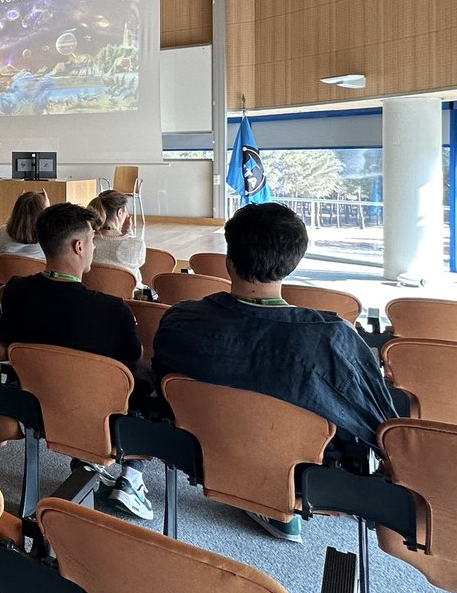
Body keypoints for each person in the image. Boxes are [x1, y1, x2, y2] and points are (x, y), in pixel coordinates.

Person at [153, 202, 398, 543]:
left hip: (203, 452)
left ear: (228, 261)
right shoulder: (332, 338)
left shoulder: (179, 319)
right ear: (292, 264)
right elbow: (380, 427)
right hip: (305, 475)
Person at [0, 202, 146, 519]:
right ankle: (130, 476)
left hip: (32, 402)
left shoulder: (14, 291)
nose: (95, 247)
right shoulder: (112, 310)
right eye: (93, 241)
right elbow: (128, 369)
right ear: (79, 246)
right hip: (98, 415)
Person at [88, 190, 145, 287]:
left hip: (93, 295)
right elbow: (139, 262)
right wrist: (128, 232)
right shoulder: (136, 244)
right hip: (127, 298)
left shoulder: (86, 242)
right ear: (119, 212)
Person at [0, 191, 47, 260]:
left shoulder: (2, 232)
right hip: (38, 270)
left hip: (8, 270)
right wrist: (47, 209)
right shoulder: (48, 238)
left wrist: (20, 205)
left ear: (16, 211)